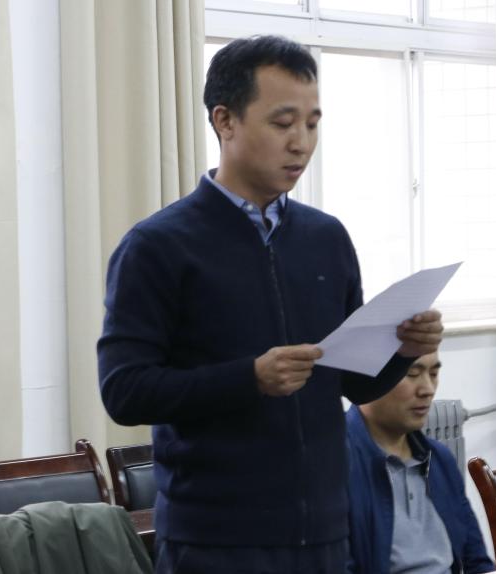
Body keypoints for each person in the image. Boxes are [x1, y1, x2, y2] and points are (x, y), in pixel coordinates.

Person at [98, 35, 443, 573]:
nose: (301, 143)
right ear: (225, 121)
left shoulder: (325, 238)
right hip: (216, 541)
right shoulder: (159, 246)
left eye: (312, 124)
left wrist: (402, 350)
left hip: (325, 536)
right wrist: (250, 378)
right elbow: (124, 391)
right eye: (283, 123)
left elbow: (354, 385)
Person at [347, 352, 494, 574]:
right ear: (368, 377)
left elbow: (477, 562)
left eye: (433, 374)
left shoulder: (439, 459)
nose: (428, 389)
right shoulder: (335, 464)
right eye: (412, 373)